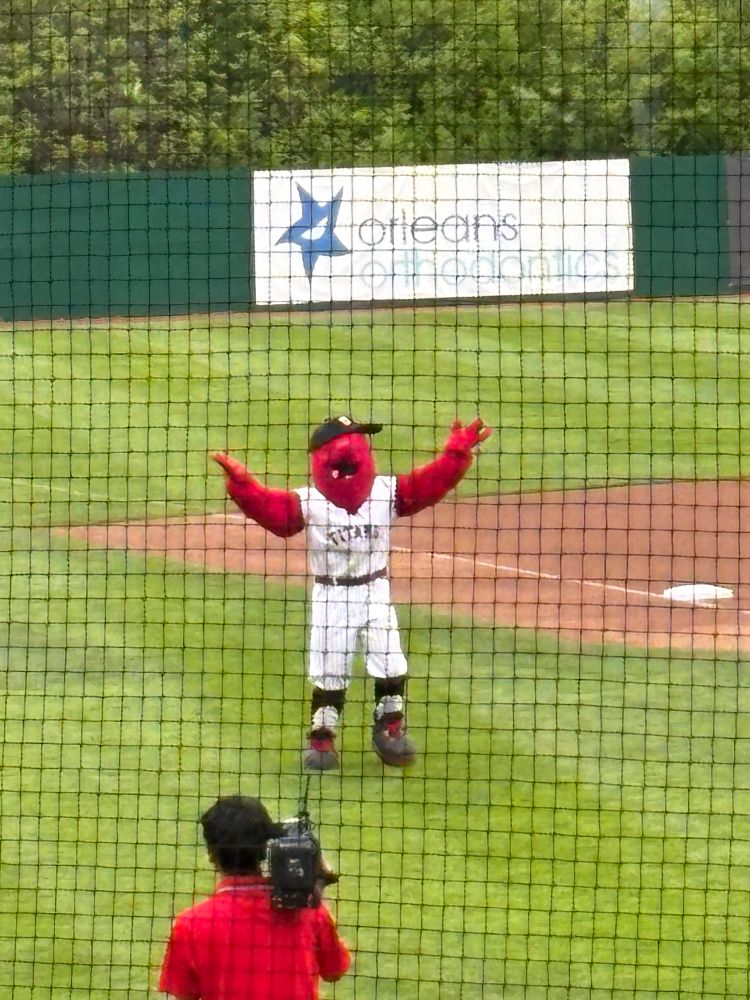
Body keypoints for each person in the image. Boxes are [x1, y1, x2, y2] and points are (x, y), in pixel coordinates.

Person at [213, 415, 491, 771]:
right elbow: (276, 516)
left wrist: (455, 454)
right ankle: (322, 738)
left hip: (376, 589)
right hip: (332, 596)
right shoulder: (310, 502)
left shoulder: (384, 492)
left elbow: (429, 485)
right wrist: (243, 486)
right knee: (329, 669)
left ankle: (389, 726)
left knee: (391, 661)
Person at [159, 796, 350, 1000]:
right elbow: (334, 971)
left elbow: (182, 994)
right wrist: (315, 885)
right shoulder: (306, 909)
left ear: (212, 854)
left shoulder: (191, 923)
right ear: (267, 847)